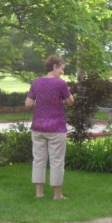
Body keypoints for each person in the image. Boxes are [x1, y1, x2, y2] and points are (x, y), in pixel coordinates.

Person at [25, 56, 74, 200]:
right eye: (62, 69)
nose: (62, 72)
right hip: (56, 127)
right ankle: (57, 195)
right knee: (57, 160)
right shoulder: (60, 84)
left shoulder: (36, 82)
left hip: (38, 127)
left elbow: (28, 104)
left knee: (38, 160)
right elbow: (71, 102)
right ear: (54, 67)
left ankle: (39, 193)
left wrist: (40, 104)